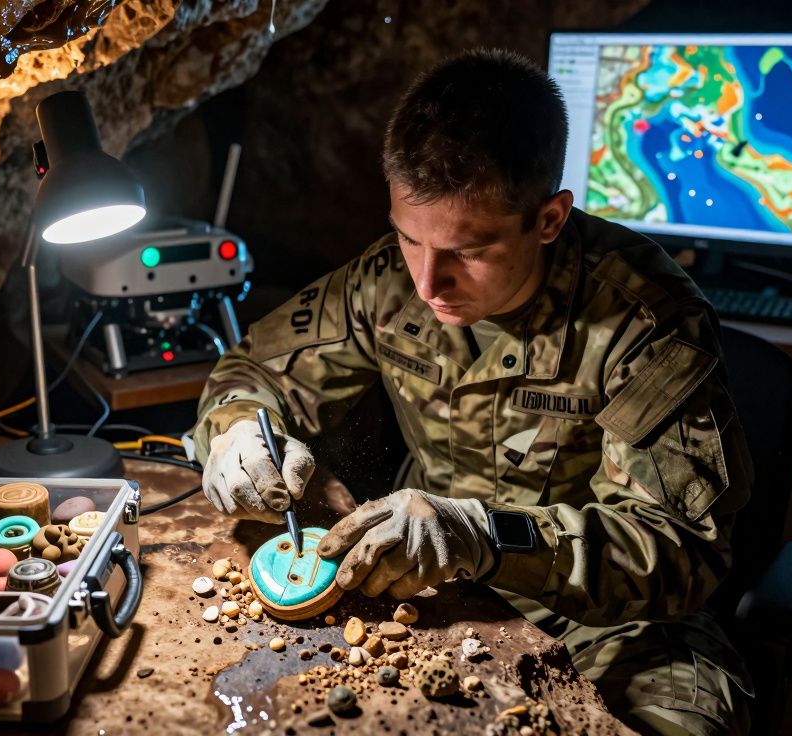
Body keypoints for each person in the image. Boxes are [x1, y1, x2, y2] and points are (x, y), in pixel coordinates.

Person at [191, 48, 753, 735]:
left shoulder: (645, 321)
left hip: (610, 625)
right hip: (429, 589)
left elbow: (681, 551)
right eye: (409, 239)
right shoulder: (385, 282)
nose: (428, 283)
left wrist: (484, 535)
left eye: (469, 251)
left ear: (549, 219)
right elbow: (252, 371)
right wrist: (238, 429)